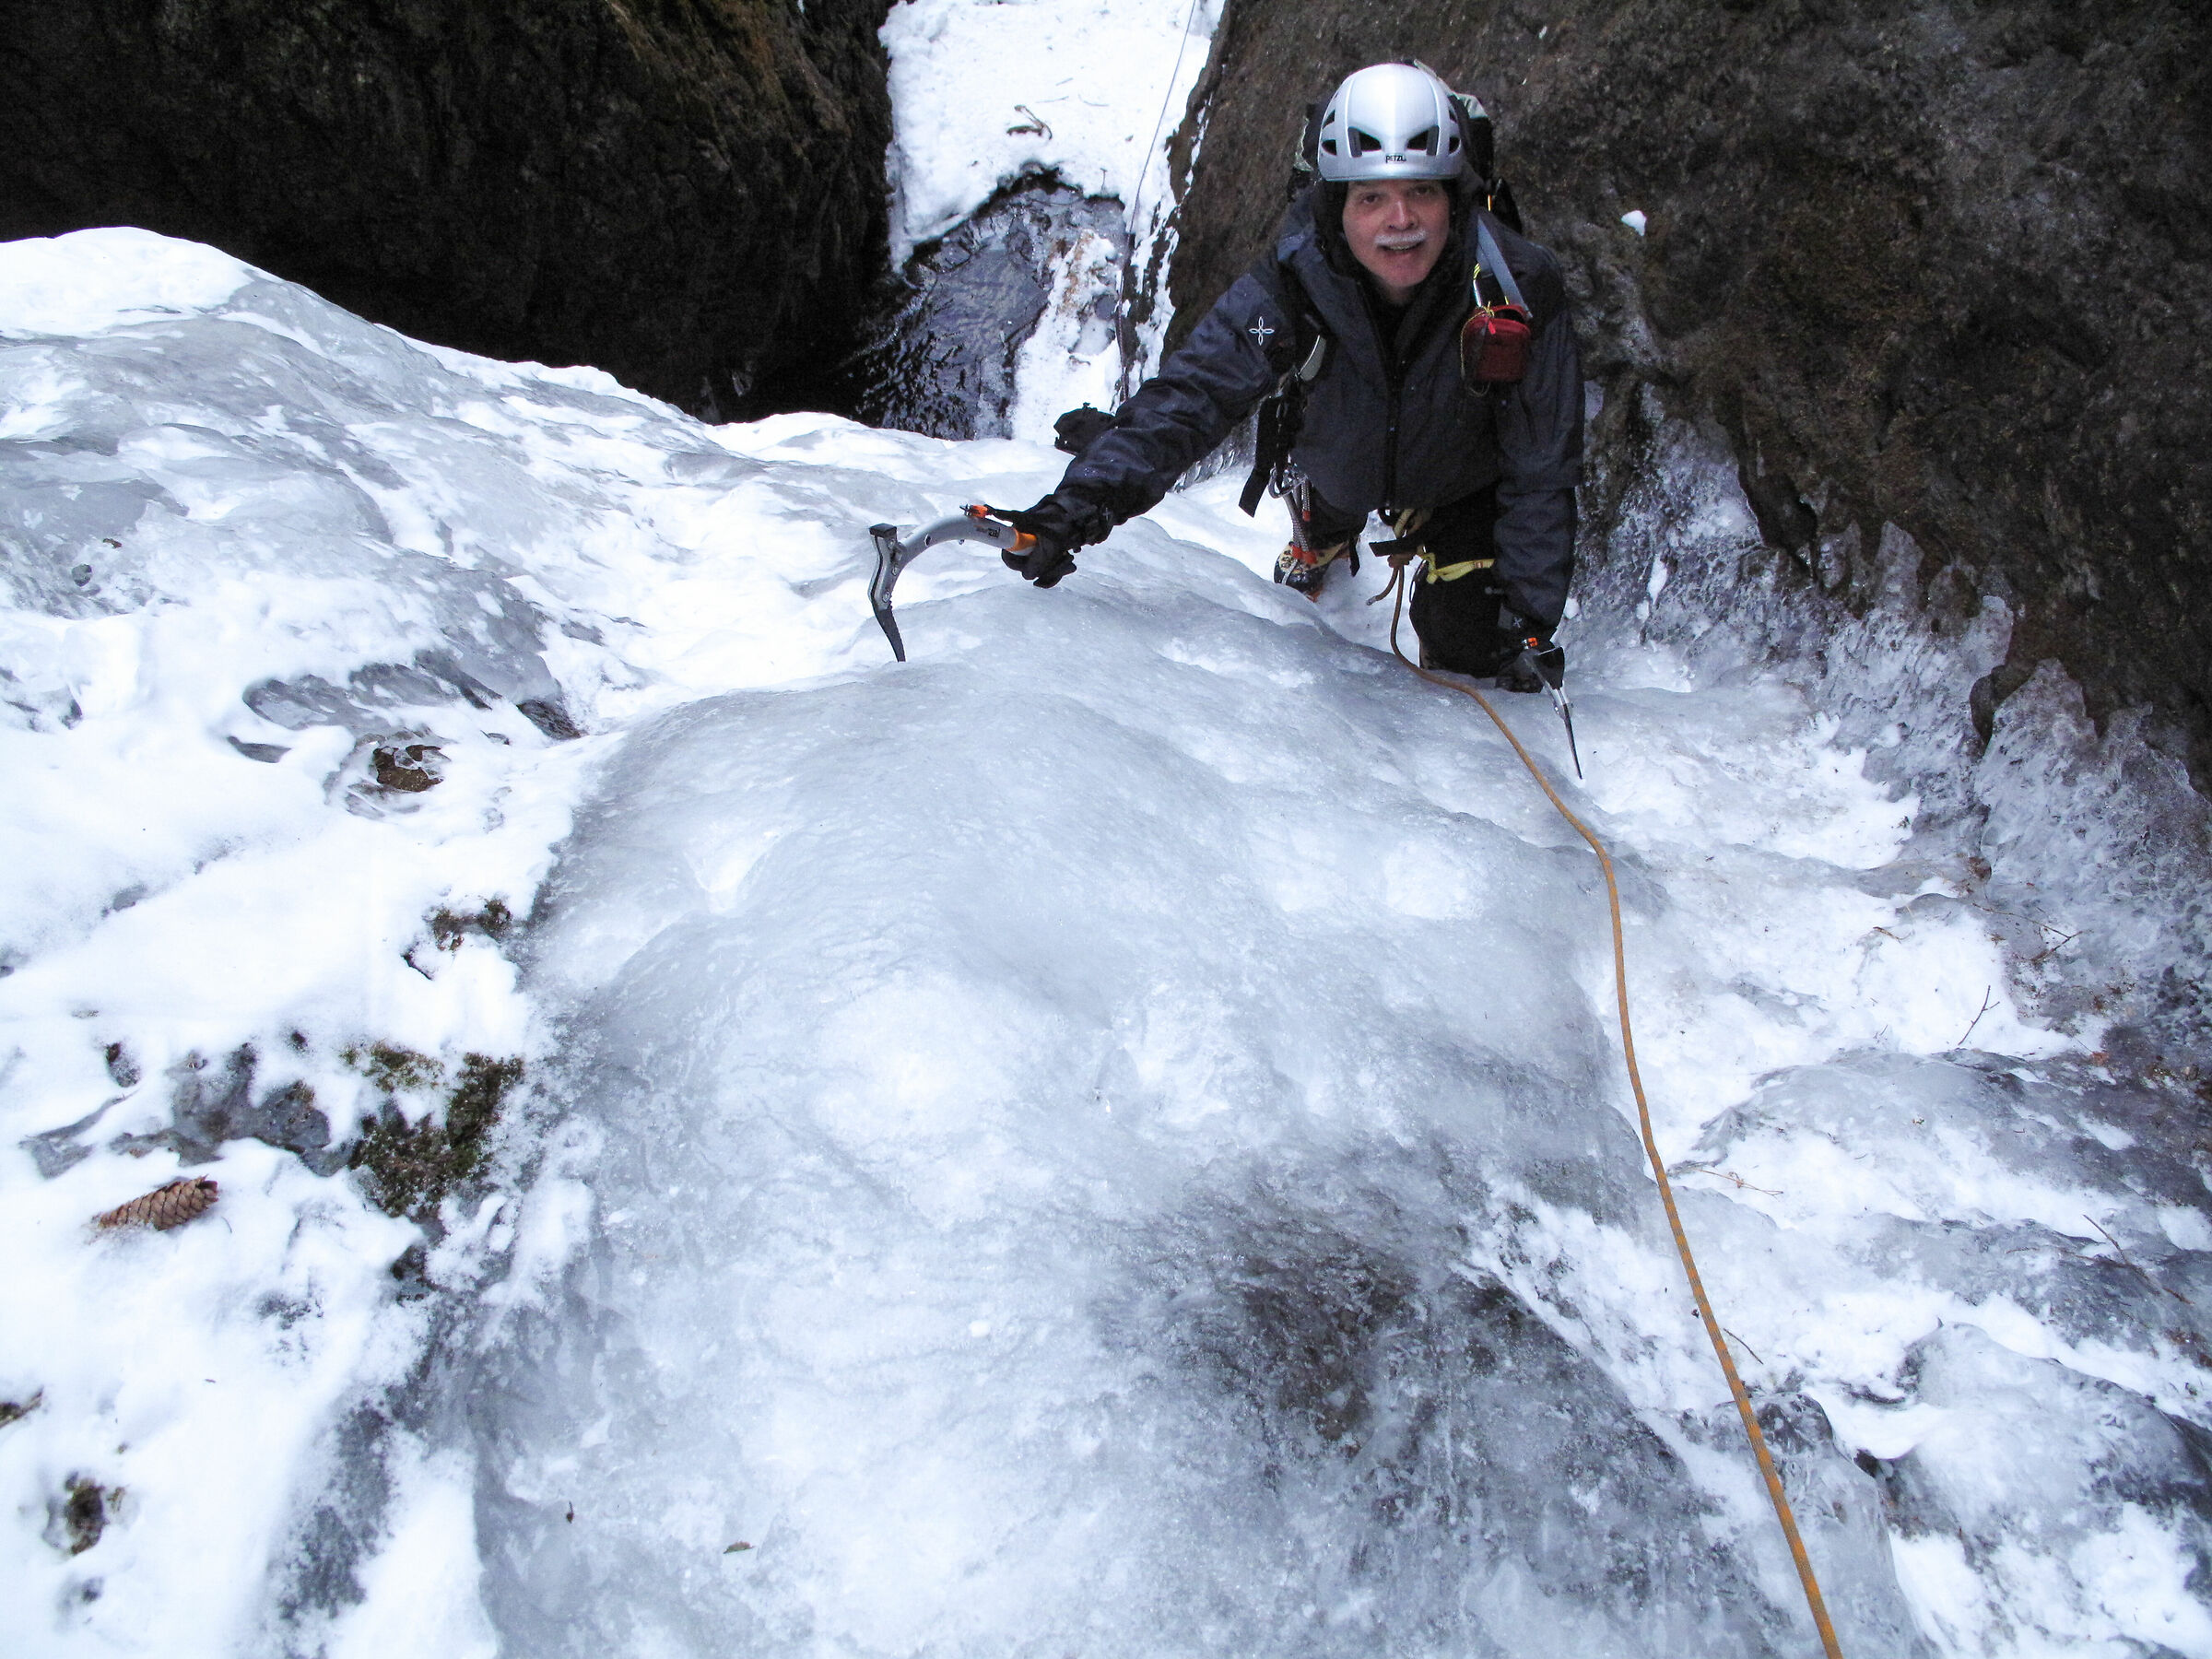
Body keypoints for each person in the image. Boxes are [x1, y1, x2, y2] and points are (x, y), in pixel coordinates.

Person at [999, 61, 1582, 688]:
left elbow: (1542, 463)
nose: (1400, 220)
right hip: (1339, 456)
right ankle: (1322, 532)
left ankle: (1410, 549)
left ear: (1453, 195)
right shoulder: (1293, 284)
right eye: (1371, 198)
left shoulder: (1514, 289)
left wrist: (1526, 620)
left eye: (1422, 191)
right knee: (1334, 482)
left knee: (1473, 642)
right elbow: (1197, 393)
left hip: (1458, 474)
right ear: (1336, 205)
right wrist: (1079, 505)